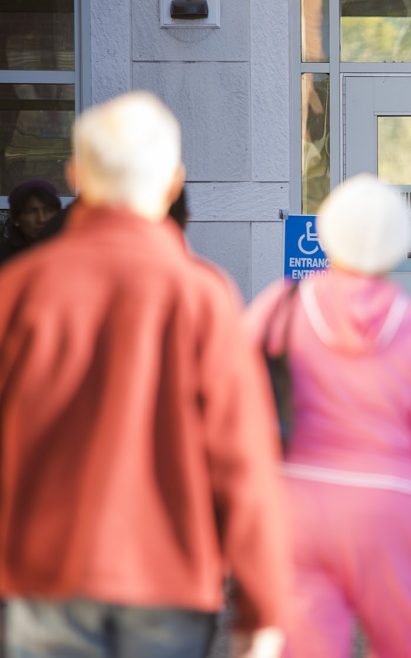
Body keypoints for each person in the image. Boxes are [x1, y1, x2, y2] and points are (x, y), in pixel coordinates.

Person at [0, 91, 290, 658]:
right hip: (168, 582)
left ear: (77, 174)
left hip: (41, 578)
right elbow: (243, 461)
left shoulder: (20, 291)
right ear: (175, 181)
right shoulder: (202, 294)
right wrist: (263, 604)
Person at [244, 174, 411, 658]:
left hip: (295, 507)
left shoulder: (278, 307)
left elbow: (224, 408)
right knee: (402, 643)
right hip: (387, 510)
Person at [0, 178, 62, 264]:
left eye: (48, 210)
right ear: (16, 218)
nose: (41, 219)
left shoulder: (77, 252)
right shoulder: (6, 260)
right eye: (31, 211)